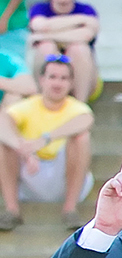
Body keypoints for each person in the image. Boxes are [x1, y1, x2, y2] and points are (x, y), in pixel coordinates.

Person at [0, 55, 93, 232]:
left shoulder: (77, 108)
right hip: (30, 172)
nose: (57, 83)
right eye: (52, 77)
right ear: (42, 80)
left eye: (63, 78)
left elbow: (86, 120)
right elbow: (3, 121)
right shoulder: (29, 106)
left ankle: (70, 209)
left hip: (63, 175)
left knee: (82, 138)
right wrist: (23, 150)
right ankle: (11, 210)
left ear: (71, 83)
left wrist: (45, 139)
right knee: (4, 143)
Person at [25, 0, 98, 105]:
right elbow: (41, 26)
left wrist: (44, 35)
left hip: (86, 80)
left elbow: (86, 35)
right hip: (49, 76)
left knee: (79, 49)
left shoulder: (86, 10)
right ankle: (43, 105)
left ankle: (79, 108)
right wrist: (80, 21)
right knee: (46, 47)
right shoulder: (39, 9)